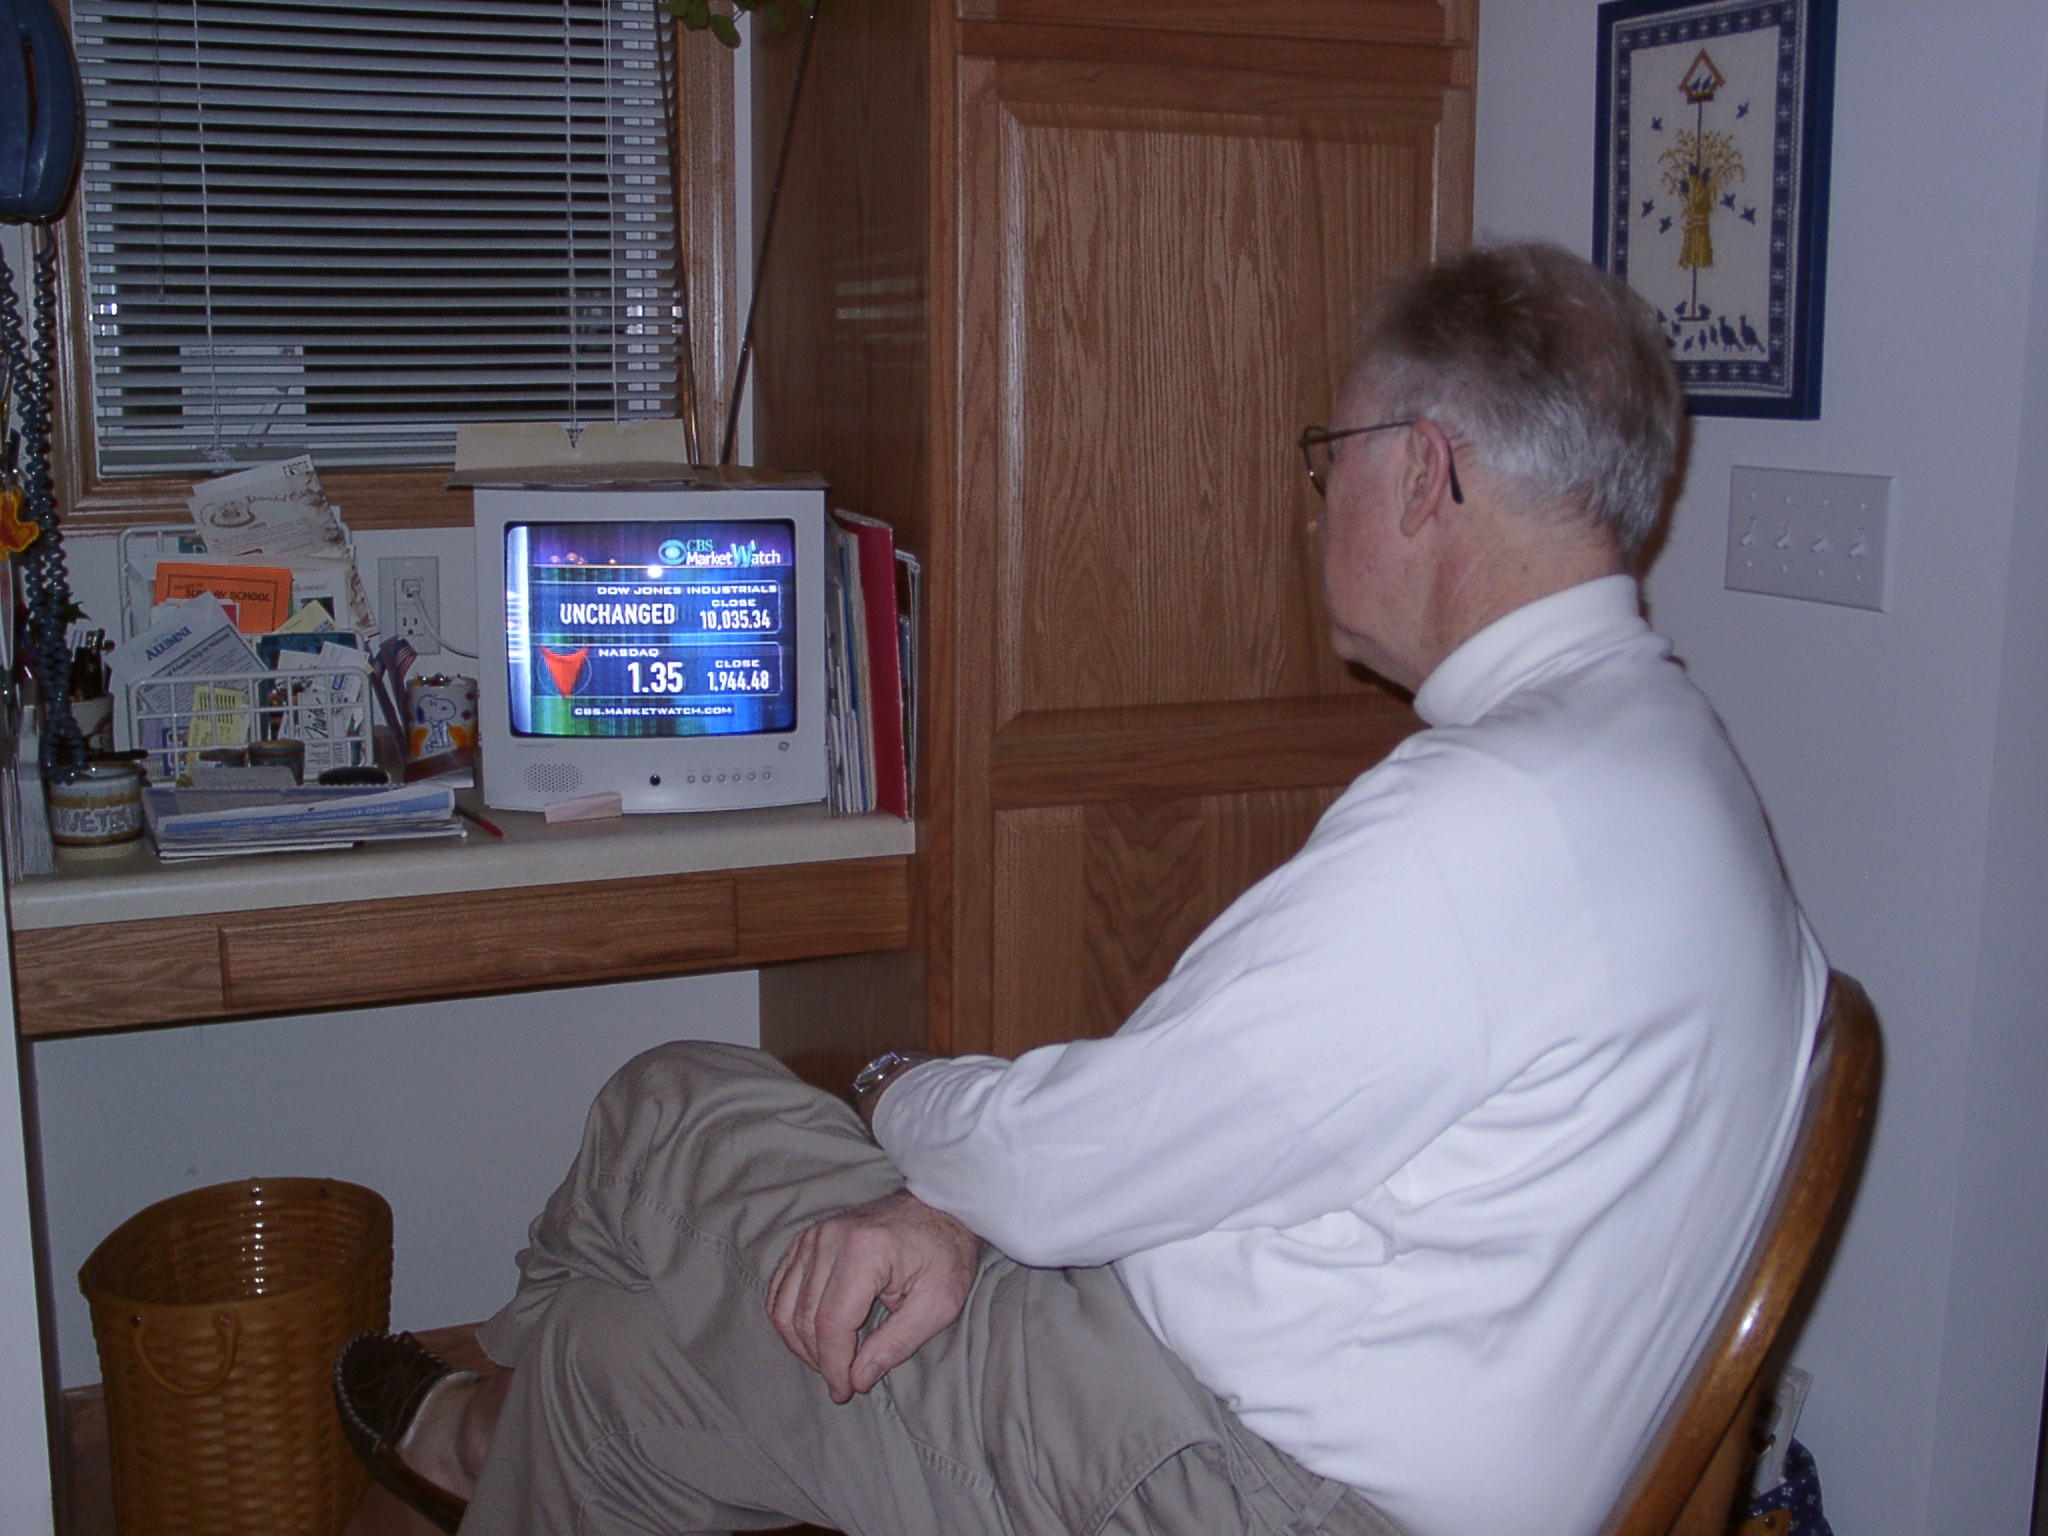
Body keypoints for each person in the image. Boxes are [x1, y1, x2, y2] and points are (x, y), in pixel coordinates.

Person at [335, 241, 1825, 1536]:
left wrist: (900, 1095)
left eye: (1333, 460)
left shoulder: (1481, 823)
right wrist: (978, 1198)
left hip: (1237, 1483)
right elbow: (1160, 1139)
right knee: (611, 1379)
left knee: (672, 1101)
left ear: (1426, 473)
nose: (1318, 508)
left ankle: (486, 1412)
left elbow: (1066, 1163)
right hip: (1287, 1411)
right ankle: (513, 1414)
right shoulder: (1673, 758)